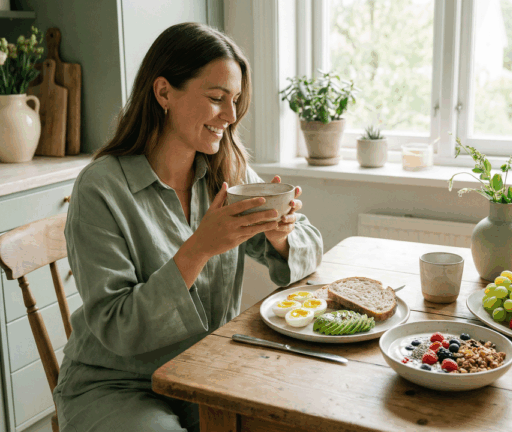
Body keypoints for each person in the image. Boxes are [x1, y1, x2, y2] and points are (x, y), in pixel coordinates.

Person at [53, 22, 324, 432]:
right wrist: (198, 249)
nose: (231, 116)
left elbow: (310, 246)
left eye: (234, 100)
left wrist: (280, 234)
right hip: (116, 383)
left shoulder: (226, 171)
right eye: (217, 98)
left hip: (204, 371)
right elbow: (116, 326)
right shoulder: (100, 189)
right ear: (163, 92)